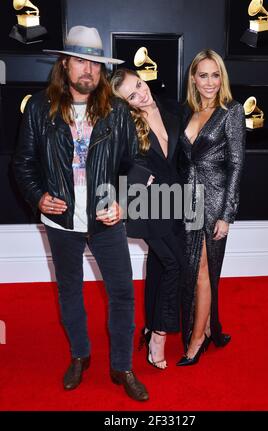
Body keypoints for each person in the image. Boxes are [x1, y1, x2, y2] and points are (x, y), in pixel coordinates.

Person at [13, 26, 149, 401]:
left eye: (93, 62)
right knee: (69, 291)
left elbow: (135, 164)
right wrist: (38, 197)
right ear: (65, 64)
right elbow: (22, 164)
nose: (87, 69)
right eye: (79, 61)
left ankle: (122, 366)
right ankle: (79, 356)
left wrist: (123, 198)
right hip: (60, 219)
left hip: (106, 220)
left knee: (122, 293)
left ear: (101, 69)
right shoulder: (40, 107)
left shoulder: (118, 111)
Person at [111, 68, 184, 370]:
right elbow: (109, 163)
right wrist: (137, 180)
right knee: (176, 265)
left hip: (177, 202)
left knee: (158, 263)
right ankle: (158, 335)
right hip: (148, 205)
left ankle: (149, 324)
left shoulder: (170, 108)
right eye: (131, 95)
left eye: (139, 85)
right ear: (125, 103)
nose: (141, 94)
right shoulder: (125, 124)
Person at [176, 49, 246, 366]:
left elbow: (236, 164)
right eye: (203, 75)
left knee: (204, 270)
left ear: (222, 77)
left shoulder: (231, 111)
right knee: (189, 270)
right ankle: (204, 327)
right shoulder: (186, 111)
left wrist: (227, 214)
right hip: (187, 199)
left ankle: (197, 338)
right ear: (193, 78)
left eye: (215, 75)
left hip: (215, 197)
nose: (210, 82)